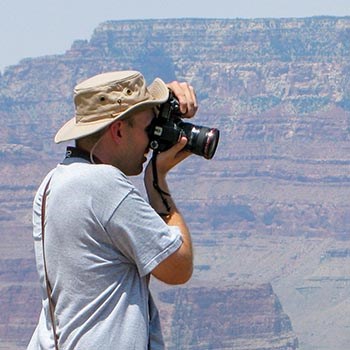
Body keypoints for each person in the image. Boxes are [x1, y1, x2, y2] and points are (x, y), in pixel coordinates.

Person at [27, 70, 197, 349]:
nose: (152, 142)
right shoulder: (102, 184)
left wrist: (160, 105)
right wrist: (157, 181)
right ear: (118, 130)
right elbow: (178, 266)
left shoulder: (54, 182)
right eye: (148, 128)